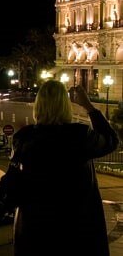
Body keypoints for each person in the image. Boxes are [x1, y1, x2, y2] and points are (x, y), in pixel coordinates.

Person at [11, 81, 118, 255]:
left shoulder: (24, 138)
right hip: (76, 228)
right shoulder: (79, 136)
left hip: (35, 228)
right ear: (65, 105)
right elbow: (111, 140)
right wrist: (88, 106)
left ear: (38, 104)